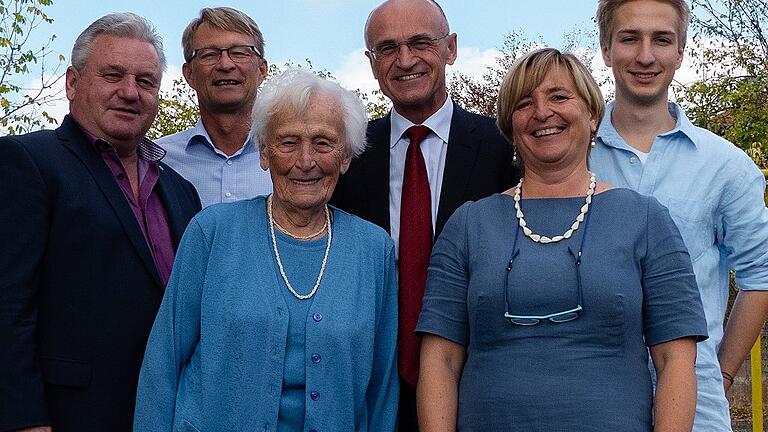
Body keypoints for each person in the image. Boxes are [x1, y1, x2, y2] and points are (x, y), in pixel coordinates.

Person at [416, 48, 708, 431]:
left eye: (559, 97)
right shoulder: (469, 224)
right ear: (510, 127)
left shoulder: (646, 219)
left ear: (591, 115)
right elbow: (440, 360)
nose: (542, 112)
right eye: (524, 103)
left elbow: (675, 360)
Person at [133, 68, 399, 432]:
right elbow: (163, 363)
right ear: (264, 153)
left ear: (346, 157)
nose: (305, 161)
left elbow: (382, 389)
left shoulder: (373, 249)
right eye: (288, 142)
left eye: (323, 143)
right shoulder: (211, 233)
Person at [0, 13, 201, 432]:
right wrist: (24, 419)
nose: (130, 92)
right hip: (67, 415)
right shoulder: (27, 162)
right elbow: (8, 304)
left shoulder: (181, 190)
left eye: (146, 81)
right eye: (113, 75)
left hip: (166, 412)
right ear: (72, 83)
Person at [331, 1, 518, 427]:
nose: (406, 60)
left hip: (478, 382)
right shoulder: (347, 154)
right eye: (387, 48)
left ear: (450, 48)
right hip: (372, 386)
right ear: (372, 63)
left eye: (420, 43)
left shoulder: (500, 148)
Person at [590, 1, 768, 429]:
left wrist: (721, 373)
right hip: (589, 400)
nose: (646, 56)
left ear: (681, 51)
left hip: (698, 410)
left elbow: (760, 276)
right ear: (605, 48)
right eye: (630, 38)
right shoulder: (569, 158)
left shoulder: (727, 166)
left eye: (662, 39)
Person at [157, 7, 271, 207]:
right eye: (210, 54)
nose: (225, 64)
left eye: (239, 52)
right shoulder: (158, 162)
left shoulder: (293, 161)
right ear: (189, 73)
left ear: (262, 70)